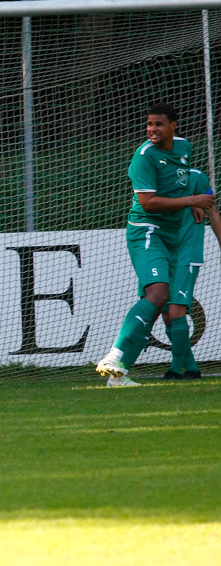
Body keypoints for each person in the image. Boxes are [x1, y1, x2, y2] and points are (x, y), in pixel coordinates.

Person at [96, 103, 215, 385]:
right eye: (149, 124)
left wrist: (193, 205)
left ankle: (119, 374)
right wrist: (192, 201)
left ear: (174, 125)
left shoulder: (184, 148)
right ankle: (114, 355)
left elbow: (182, 183)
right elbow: (148, 203)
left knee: (152, 303)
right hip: (147, 231)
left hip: (174, 237)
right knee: (160, 294)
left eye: (158, 124)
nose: (152, 130)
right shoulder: (144, 157)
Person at [112, 167, 220, 385]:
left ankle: (176, 369)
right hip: (159, 251)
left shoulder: (195, 177)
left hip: (186, 253)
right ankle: (189, 367)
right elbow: (147, 205)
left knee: (176, 309)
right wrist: (190, 202)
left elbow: (213, 210)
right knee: (163, 312)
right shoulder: (151, 178)